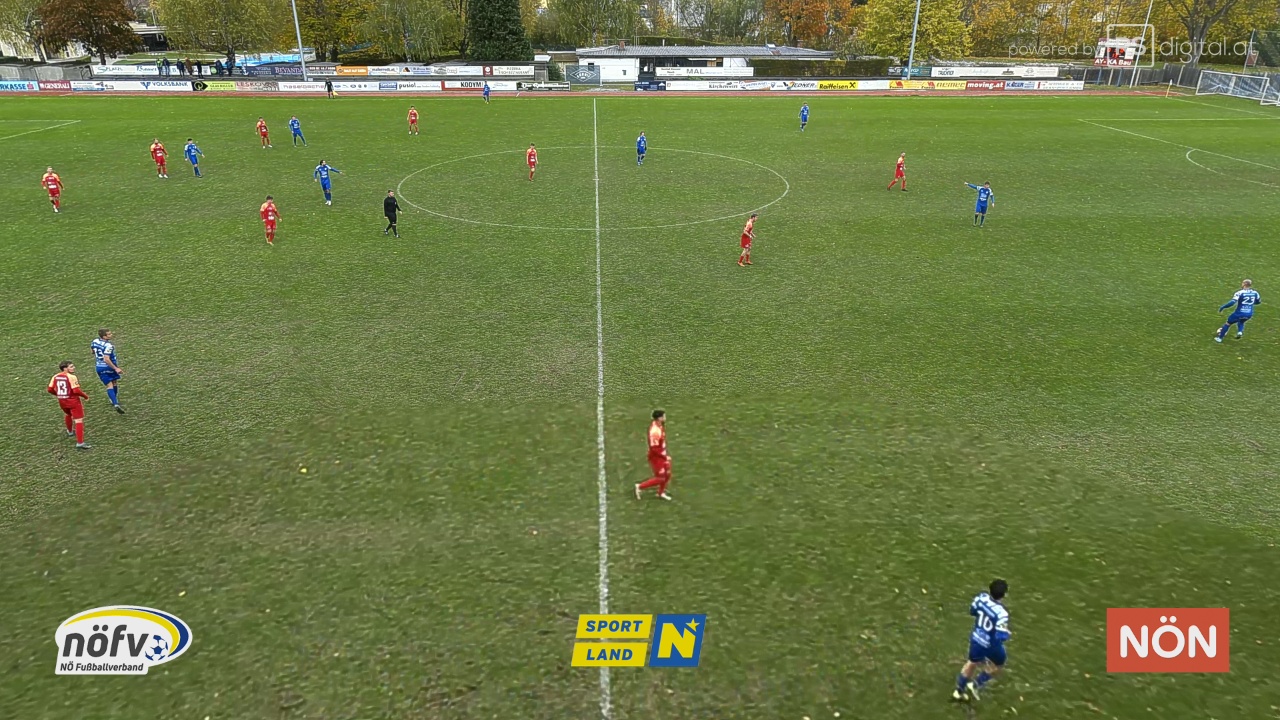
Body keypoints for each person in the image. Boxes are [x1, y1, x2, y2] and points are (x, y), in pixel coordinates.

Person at [954, 579, 1010, 702]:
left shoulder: (981, 598)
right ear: (1004, 595)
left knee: (971, 663)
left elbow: (972, 611)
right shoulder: (1002, 613)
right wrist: (1007, 633)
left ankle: (959, 691)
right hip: (991, 645)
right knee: (999, 664)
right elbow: (1002, 636)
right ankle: (976, 684)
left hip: (977, 639)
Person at [47, 361, 91, 450]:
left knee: (68, 414)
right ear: (65, 368)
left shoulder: (55, 376)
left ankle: (70, 431)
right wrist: (85, 396)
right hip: (73, 401)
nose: (73, 367)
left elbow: (49, 389)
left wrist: (58, 394)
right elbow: (76, 391)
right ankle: (80, 443)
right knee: (79, 420)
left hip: (62, 401)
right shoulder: (71, 377)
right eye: (71, 366)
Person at [635, 410, 673, 501]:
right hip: (656, 457)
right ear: (659, 418)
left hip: (661, 454)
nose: (665, 418)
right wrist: (664, 456)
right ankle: (640, 486)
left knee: (667, 474)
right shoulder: (655, 431)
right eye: (664, 416)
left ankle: (661, 493)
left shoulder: (659, 425)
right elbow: (654, 448)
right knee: (660, 478)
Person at [90, 329, 125, 413]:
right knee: (114, 383)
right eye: (109, 334)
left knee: (109, 385)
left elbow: (92, 351)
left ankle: (114, 402)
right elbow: (106, 359)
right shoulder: (109, 345)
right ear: (104, 336)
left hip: (99, 367)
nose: (111, 335)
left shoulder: (94, 341)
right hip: (109, 367)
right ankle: (114, 401)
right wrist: (116, 368)